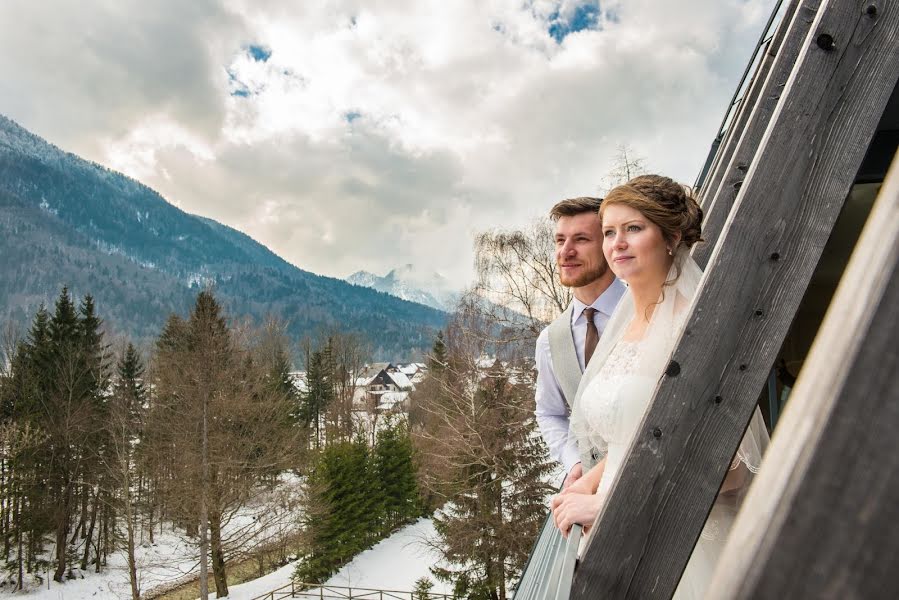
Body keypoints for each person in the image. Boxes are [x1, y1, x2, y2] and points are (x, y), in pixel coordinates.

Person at [550, 175, 769, 599]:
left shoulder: (696, 326)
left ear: (670, 237)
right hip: (618, 542)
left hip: (684, 551)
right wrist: (589, 481)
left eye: (634, 229)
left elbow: (730, 467)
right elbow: (634, 433)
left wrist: (611, 505)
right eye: (610, 232)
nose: (617, 243)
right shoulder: (627, 323)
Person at [535, 197, 627, 489]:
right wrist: (573, 460)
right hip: (590, 492)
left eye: (581, 239)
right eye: (560, 240)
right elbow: (549, 412)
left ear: (609, 244)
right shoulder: (550, 340)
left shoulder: (649, 311)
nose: (565, 251)